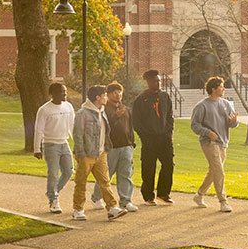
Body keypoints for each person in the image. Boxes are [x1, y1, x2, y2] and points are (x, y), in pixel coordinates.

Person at [189, 75, 236, 211]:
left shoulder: (226, 104)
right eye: (221, 87)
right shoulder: (202, 106)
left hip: (223, 142)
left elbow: (232, 124)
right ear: (213, 89)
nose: (224, 89)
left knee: (214, 171)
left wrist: (234, 122)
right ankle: (223, 201)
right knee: (219, 170)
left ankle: (199, 195)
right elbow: (194, 125)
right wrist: (207, 132)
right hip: (209, 142)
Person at [71, 83, 118, 216]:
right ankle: (78, 210)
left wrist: (106, 148)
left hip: (101, 153)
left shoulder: (102, 112)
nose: (106, 98)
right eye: (104, 95)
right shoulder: (82, 114)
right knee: (81, 183)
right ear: (97, 97)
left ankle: (112, 208)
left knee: (105, 182)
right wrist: (80, 154)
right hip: (86, 154)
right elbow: (78, 135)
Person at [32, 82, 76, 216]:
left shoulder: (68, 106)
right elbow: (38, 129)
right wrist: (36, 148)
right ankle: (53, 200)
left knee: (69, 171)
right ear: (53, 94)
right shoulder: (44, 110)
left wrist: (77, 144)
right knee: (53, 173)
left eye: (65, 91)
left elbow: (72, 127)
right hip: (50, 145)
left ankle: (52, 191)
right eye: (62, 92)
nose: (65, 94)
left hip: (64, 143)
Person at [133, 68, 175, 205]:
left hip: (164, 138)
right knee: (149, 168)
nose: (158, 83)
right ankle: (148, 196)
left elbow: (170, 117)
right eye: (155, 81)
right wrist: (145, 137)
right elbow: (136, 122)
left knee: (168, 165)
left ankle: (163, 193)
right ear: (148, 82)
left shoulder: (165, 97)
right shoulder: (141, 99)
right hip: (149, 139)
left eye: (159, 80)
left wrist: (168, 133)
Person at [103, 81, 137, 218]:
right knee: (107, 175)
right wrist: (115, 117)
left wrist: (131, 143)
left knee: (125, 174)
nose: (118, 95)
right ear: (109, 94)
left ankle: (125, 201)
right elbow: (106, 127)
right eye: (115, 93)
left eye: (120, 92)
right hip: (112, 146)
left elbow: (130, 127)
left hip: (126, 145)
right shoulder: (105, 109)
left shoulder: (126, 109)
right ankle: (97, 197)